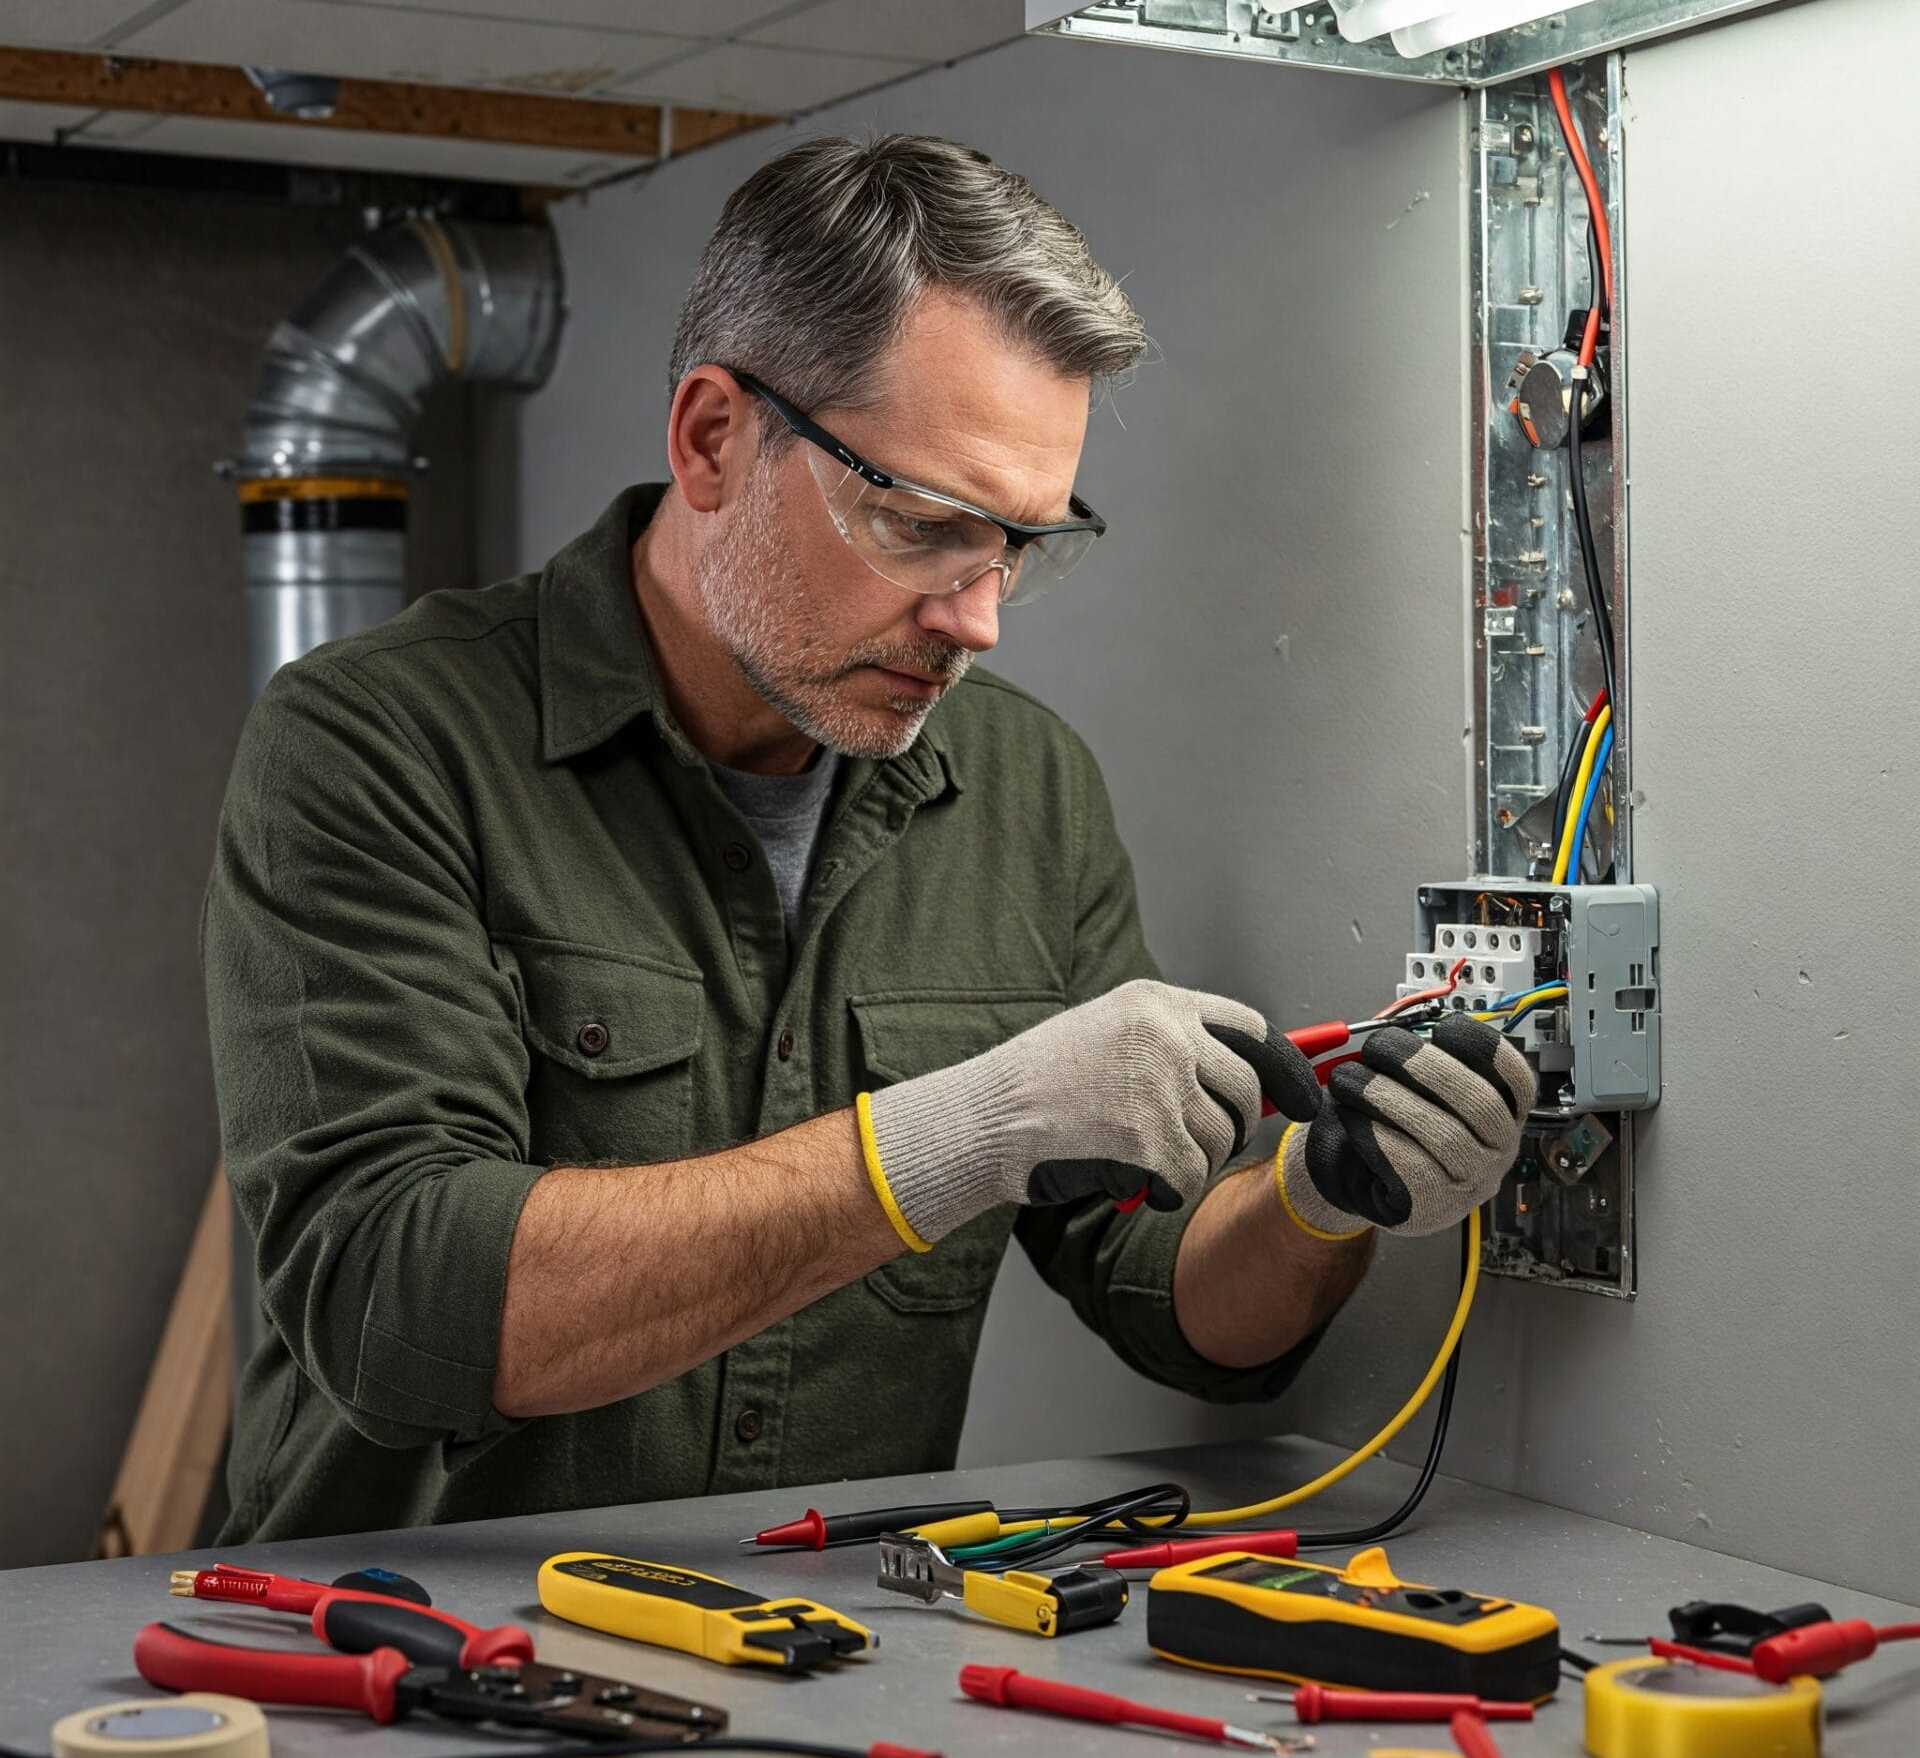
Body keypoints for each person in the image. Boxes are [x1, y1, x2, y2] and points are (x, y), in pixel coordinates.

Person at [203, 135, 1530, 1542]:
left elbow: (1162, 1292)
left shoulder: (1026, 786)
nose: (978, 619)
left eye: (1020, 544)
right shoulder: (376, 743)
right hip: (399, 1662)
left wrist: (1326, 1198)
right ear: (714, 438)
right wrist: (957, 1134)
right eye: (919, 524)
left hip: (810, 1667)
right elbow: (400, 1305)